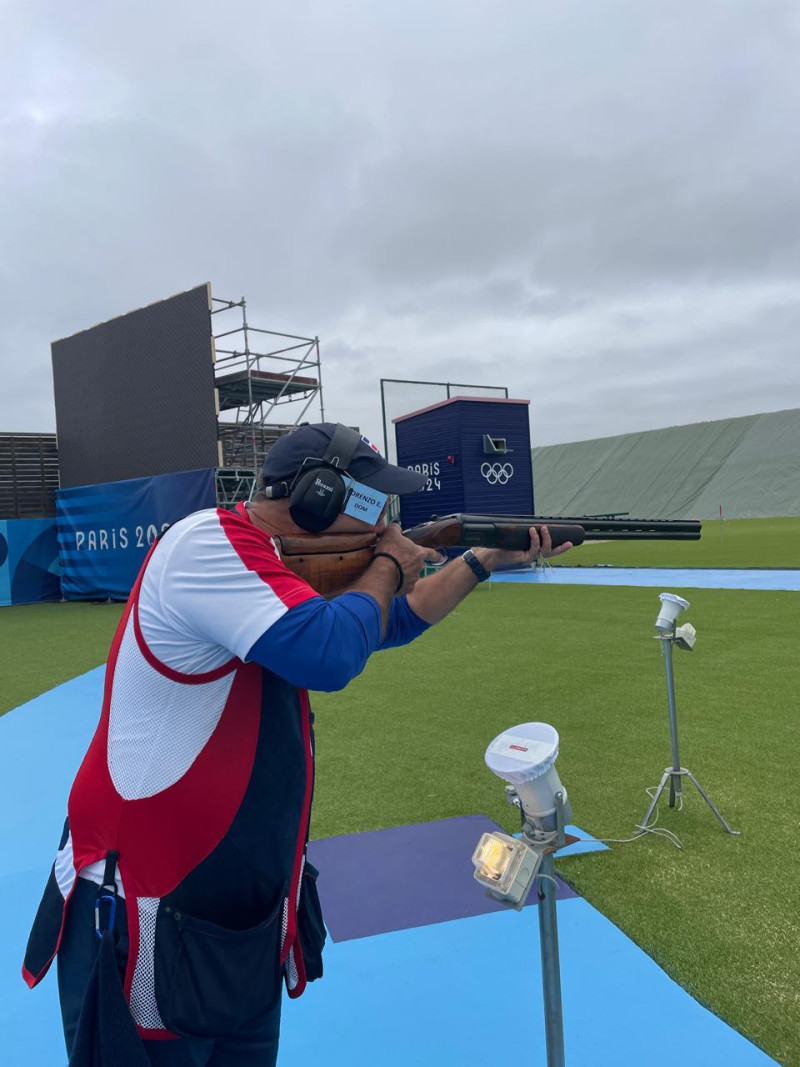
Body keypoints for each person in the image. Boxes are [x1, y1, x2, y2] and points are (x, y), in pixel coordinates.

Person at [23, 422, 570, 1066]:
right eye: (368, 499)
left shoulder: (278, 564)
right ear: (316, 496)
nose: (382, 514)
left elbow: (389, 621)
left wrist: (482, 561)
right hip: (145, 914)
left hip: (237, 918)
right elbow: (330, 652)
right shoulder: (208, 543)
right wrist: (393, 561)